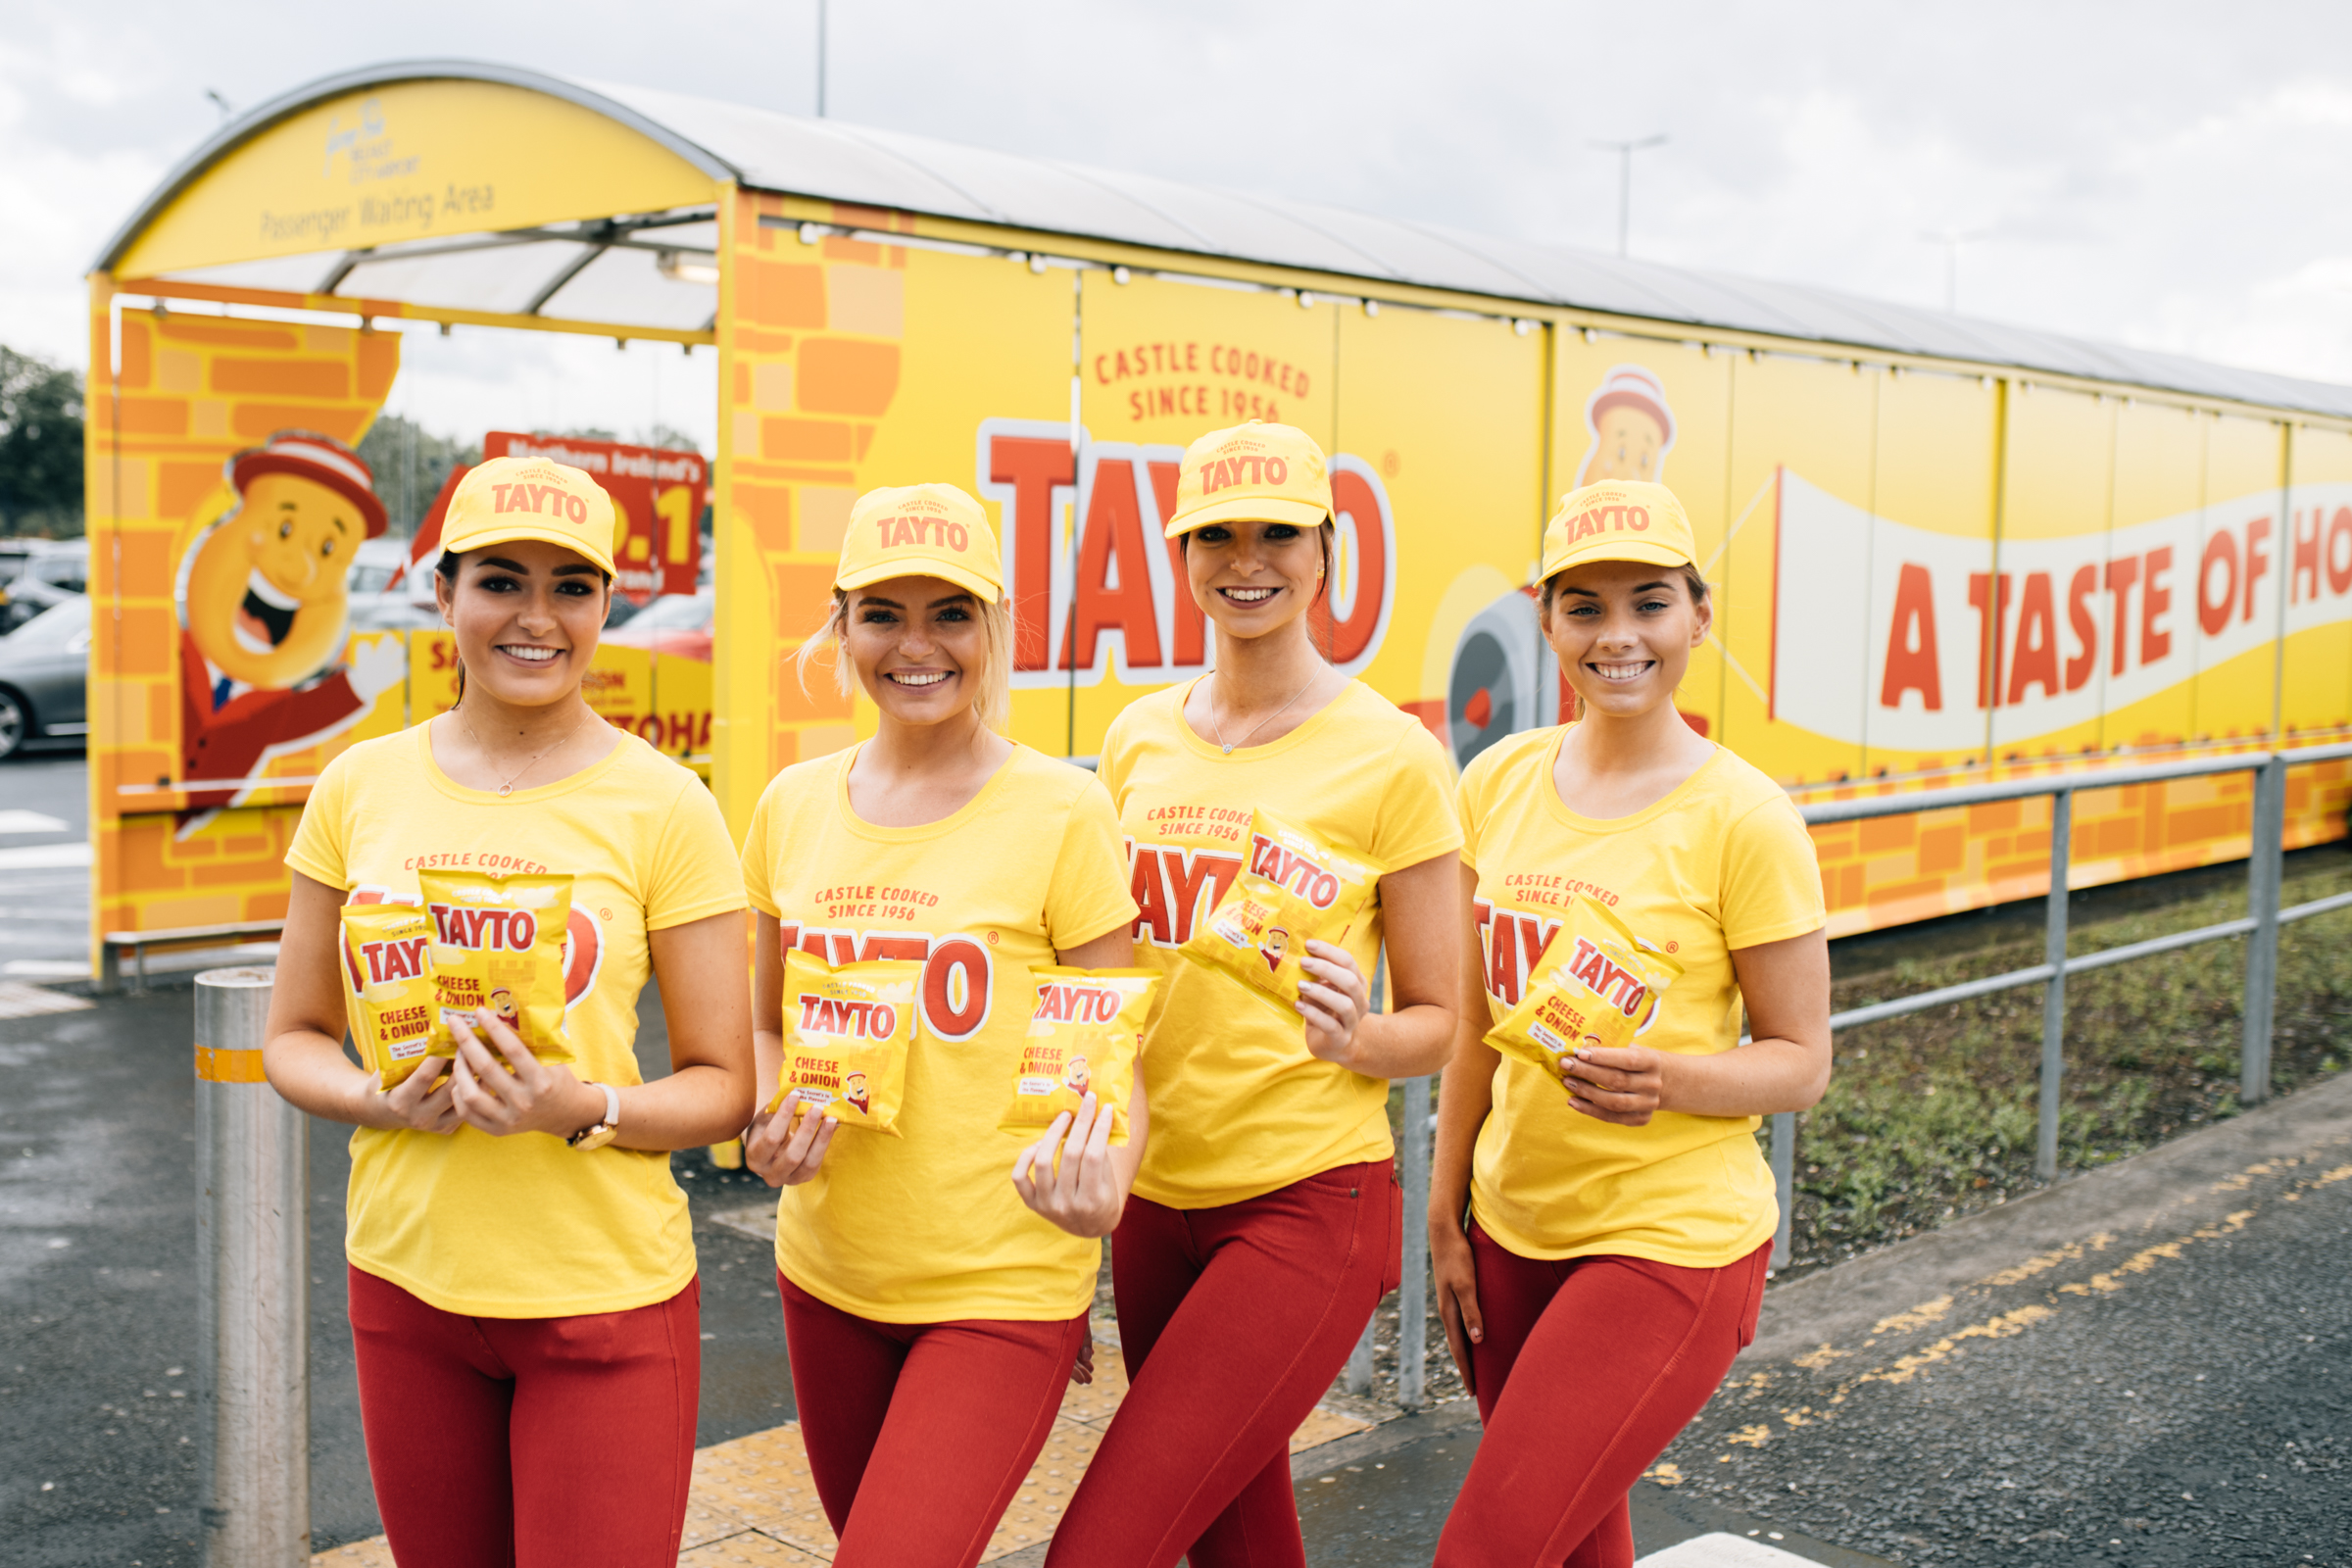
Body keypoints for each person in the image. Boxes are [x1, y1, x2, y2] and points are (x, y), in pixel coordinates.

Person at [263, 455, 755, 1566]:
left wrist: (581, 1105)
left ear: (607, 605)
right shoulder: (357, 786)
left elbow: (725, 1084)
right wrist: (373, 1098)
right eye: (501, 581)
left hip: (604, 1300)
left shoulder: (666, 804)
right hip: (404, 1286)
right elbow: (292, 1035)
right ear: (444, 593)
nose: (536, 618)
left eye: (570, 587)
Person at [1048, 421, 1463, 1568]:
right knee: (1236, 1538)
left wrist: (1360, 1031)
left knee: (1101, 1546)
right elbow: (1102, 985)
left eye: (1278, 531)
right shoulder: (1136, 739)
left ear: (1327, 550)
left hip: (1304, 1206)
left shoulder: (1393, 756)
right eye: (1214, 535)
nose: (1248, 558)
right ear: (1179, 556)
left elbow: (1440, 1022)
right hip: (1148, 1200)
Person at [737, 483, 1146, 1568]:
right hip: (825, 1271)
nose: (916, 646)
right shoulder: (790, 806)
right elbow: (766, 1025)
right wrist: (765, 1117)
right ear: (842, 626)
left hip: (999, 1284)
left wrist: (1108, 1176)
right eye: (883, 614)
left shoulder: (1061, 810)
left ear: (996, 626)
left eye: (950, 613)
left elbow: (1111, 1045)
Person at [1428, 478, 1832, 1568]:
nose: (1618, 636)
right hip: (1511, 1232)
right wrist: (1443, 1209)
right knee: (1569, 1543)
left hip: (1669, 1247)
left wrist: (1672, 1078)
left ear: (1698, 615)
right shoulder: (1501, 781)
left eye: (1649, 602)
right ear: (1547, 619)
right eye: (1584, 607)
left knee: (1490, 1551)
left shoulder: (1743, 817)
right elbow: (1476, 1024)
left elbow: (1803, 1062)